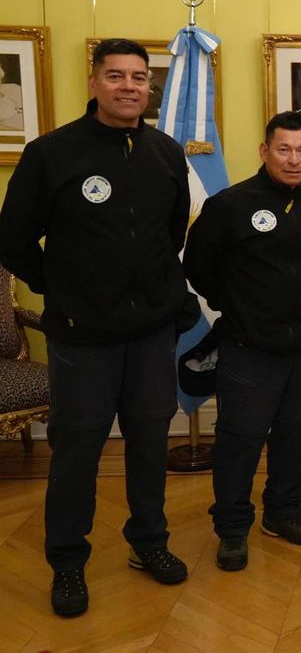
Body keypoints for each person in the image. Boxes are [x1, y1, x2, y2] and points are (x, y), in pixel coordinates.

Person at [0, 38, 192, 617]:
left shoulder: (165, 152)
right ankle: (66, 562)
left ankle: (148, 542)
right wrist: (63, 290)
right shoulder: (50, 154)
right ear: (94, 82)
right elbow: (12, 240)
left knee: (150, 444)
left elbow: (173, 234)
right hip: (82, 337)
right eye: (116, 75)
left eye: (139, 77)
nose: (130, 86)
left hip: (152, 333)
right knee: (77, 452)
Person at [183, 111, 301, 571]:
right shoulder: (230, 204)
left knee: (298, 435)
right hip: (249, 349)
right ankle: (231, 528)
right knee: (240, 441)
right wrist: (242, 307)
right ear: (265, 152)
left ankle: (284, 510)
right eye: (283, 149)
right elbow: (199, 268)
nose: (293, 159)